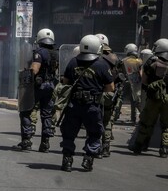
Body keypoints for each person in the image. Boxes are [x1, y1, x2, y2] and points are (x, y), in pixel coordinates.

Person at [59, 34, 114, 172]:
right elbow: (110, 88)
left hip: (74, 105)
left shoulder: (73, 62)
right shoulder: (102, 64)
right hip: (93, 106)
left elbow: (65, 82)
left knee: (69, 133)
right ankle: (88, 158)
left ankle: (67, 160)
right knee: (94, 133)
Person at [14, 28, 58, 152]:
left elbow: (35, 69)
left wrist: (26, 76)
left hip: (38, 86)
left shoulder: (39, 52)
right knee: (47, 114)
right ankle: (45, 143)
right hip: (50, 86)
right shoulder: (56, 53)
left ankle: (26, 140)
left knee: (26, 111)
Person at [128, 38, 168, 158]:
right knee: (166, 125)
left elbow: (144, 81)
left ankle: (139, 145)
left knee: (146, 122)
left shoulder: (152, 62)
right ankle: (164, 149)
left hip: (154, 98)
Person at [96, 33, 125, 158]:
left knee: (94, 119)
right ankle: (106, 146)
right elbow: (123, 76)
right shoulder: (116, 58)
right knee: (107, 121)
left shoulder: (95, 57)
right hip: (111, 94)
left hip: (97, 93)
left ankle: (95, 146)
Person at [119, 43, 143, 124]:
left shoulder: (123, 61)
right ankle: (136, 118)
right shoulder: (139, 61)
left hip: (126, 82)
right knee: (136, 101)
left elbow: (120, 72)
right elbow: (141, 73)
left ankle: (115, 116)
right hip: (136, 84)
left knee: (120, 99)